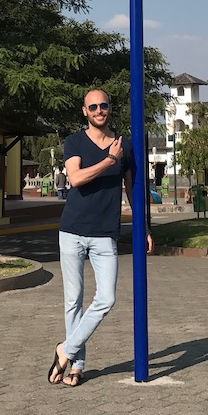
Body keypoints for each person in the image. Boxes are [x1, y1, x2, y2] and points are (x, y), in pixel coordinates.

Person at [49, 89, 151, 388]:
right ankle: (76, 366)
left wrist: (143, 227)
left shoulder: (125, 145)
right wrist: (109, 161)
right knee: (73, 301)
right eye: (92, 106)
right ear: (85, 111)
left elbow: (132, 189)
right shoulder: (75, 141)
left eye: (103, 104)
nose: (99, 110)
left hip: (106, 234)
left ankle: (64, 350)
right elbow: (76, 178)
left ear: (110, 107)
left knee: (106, 298)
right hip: (72, 231)